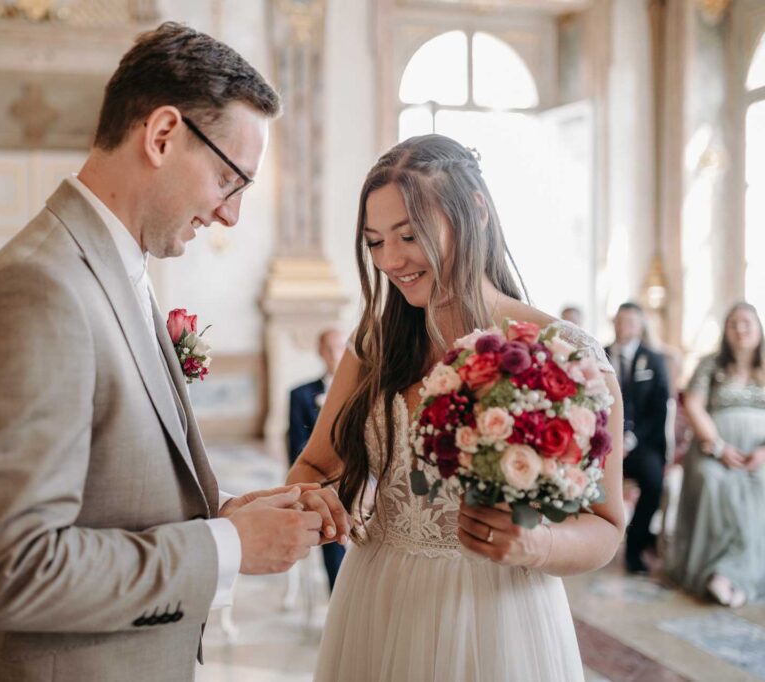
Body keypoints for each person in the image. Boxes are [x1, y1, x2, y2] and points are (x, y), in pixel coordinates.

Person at [0, 23, 347, 682]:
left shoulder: (112, 270)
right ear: (162, 136)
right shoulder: (38, 288)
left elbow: (110, 500)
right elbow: (14, 570)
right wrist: (228, 548)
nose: (231, 216)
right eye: (229, 178)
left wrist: (226, 515)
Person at [286, 134, 626, 681]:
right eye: (374, 242)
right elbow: (316, 465)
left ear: (475, 212)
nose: (391, 260)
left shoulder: (563, 352)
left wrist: (536, 545)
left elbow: (605, 526)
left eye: (409, 234)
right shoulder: (372, 344)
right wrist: (310, 500)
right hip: (379, 596)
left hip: (499, 611)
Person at [666, 302, 765, 607]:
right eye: (734, 324)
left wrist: (763, 451)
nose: (741, 329)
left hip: (758, 453)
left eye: (747, 323)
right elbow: (694, 405)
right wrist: (720, 447)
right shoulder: (710, 365)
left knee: (759, 485)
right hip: (714, 450)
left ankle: (733, 575)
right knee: (713, 482)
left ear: (759, 328)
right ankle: (716, 572)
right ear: (726, 332)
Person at [606, 302, 671, 573]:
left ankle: (635, 547)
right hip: (603, 443)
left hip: (641, 444)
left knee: (654, 481)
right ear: (614, 323)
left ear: (640, 326)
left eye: (632, 321)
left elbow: (658, 410)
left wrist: (629, 442)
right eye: (621, 320)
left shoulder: (653, 360)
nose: (625, 326)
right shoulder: (599, 353)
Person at [288, 328, 348, 591]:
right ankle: (339, 595)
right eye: (330, 348)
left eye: (341, 347)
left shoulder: (367, 387)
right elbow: (296, 447)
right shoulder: (301, 394)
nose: (337, 354)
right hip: (324, 481)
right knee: (331, 518)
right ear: (321, 352)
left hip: (361, 478)